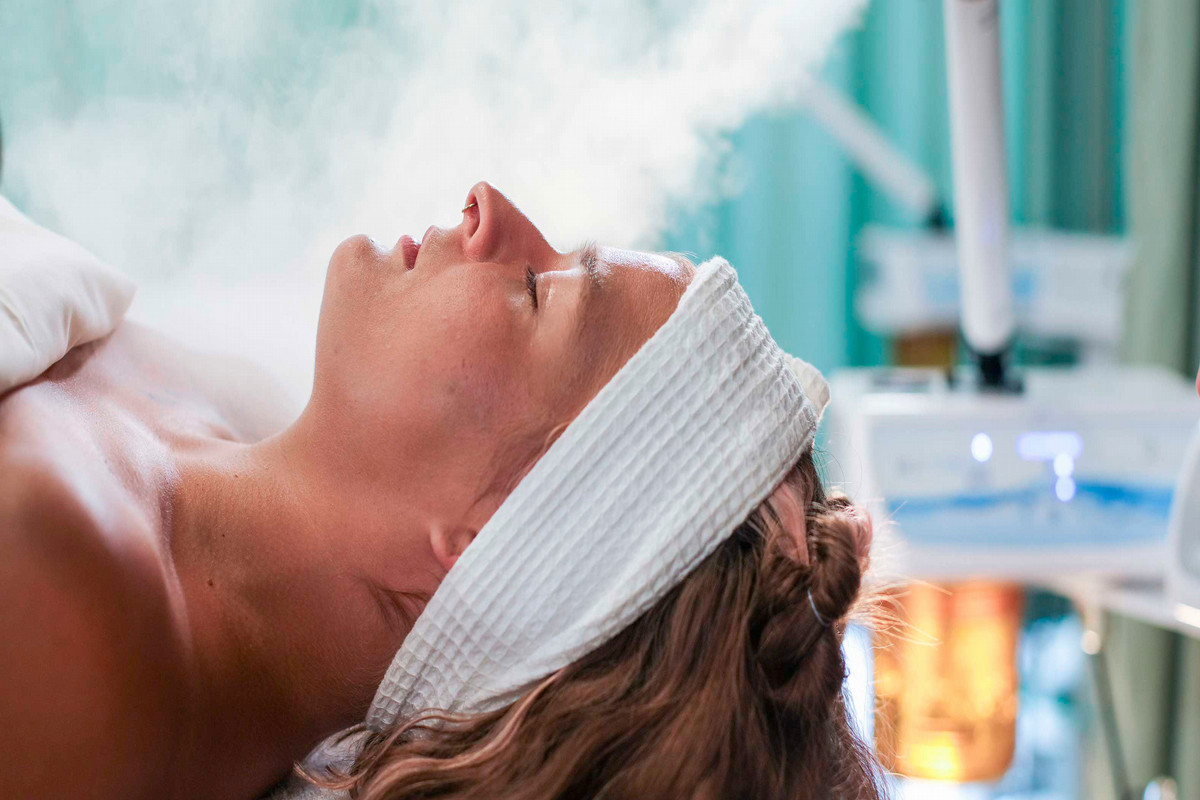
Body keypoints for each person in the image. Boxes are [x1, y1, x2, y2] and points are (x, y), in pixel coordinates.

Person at [0, 181, 883, 800]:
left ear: (491, 543)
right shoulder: (235, 419)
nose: (487, 206)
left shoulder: (63, 629)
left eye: (540, 293)